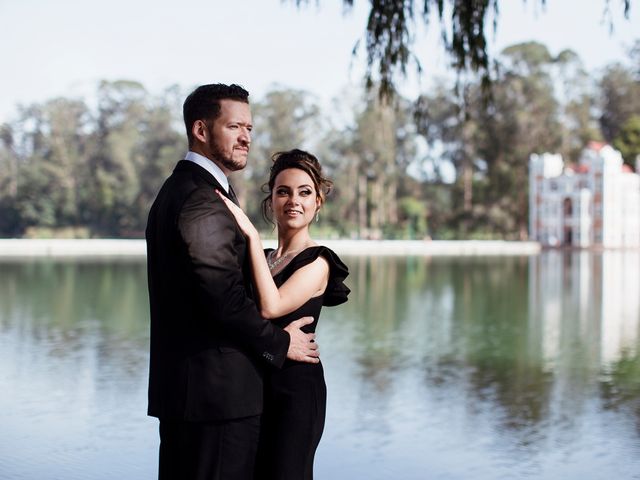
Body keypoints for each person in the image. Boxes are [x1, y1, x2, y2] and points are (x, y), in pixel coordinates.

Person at [145, 84, 320, 480]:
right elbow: (222, 297)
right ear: (201, 130)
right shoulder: (199, 198)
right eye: (235, 126)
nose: (246, 137)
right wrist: (281, 342)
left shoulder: (186, 191)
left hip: (198, 398)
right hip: (215, 401)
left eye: (250, 128)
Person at [216, 148, 350, 480]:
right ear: (271, 201)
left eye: (305, 193)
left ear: (318, 202)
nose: (294, 200)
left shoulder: (318, 261)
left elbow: (270, 307)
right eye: (283, 192)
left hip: (296, 394)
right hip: (254, 390)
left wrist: (248, 234)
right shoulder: (263, 258)